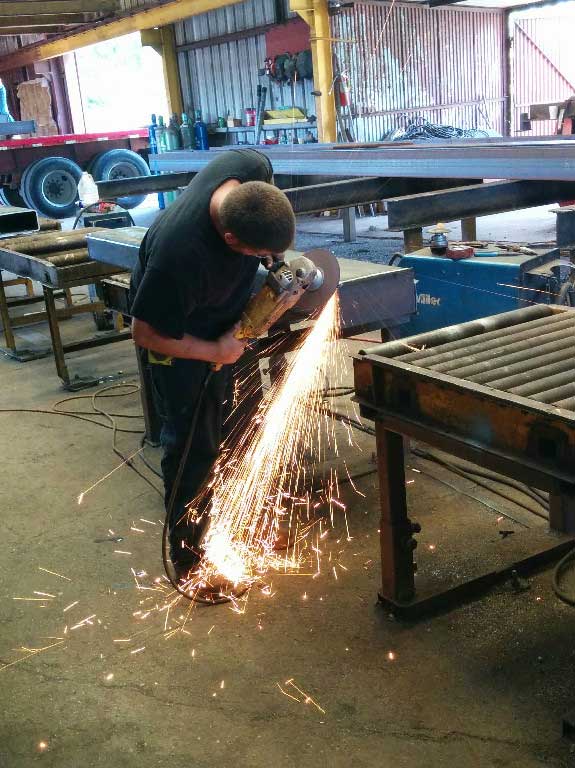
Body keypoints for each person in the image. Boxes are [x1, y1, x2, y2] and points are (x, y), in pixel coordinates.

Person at [129, 148, 296, 580]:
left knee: (243, 419)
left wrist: (274, 264)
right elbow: (145, 335)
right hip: (178, 333)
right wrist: (215, 351)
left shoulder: (249, 168)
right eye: (260, 252)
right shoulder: (179, 255)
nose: (268, 259)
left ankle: (241, 518)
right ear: (230, 241)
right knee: (193, 445)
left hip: (222, 314)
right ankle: (189, 555)